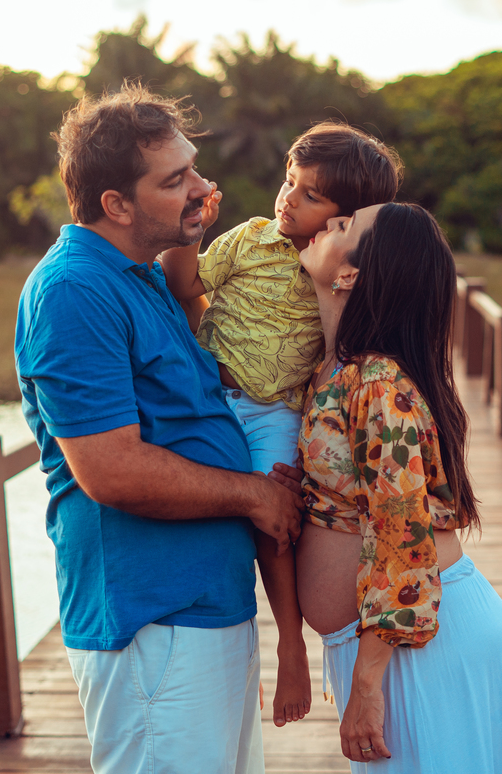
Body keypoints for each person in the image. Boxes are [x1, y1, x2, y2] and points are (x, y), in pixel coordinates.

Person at [14, 84, 305, 774]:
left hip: (204, 611)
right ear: (116, 204)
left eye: (194, 169)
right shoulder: (74, 290)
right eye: (175, 180)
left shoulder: (139, 276)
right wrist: (254, 495)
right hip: (152, 620)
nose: (203, 189)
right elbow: (110, 469)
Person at [160, 122, 402, 727]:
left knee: (277, 513)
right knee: (199, 507)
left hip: (276, 411)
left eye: (311, 194)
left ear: (349, 218)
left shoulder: (340, 270)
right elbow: (184, 283)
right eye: (290, 181)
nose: (288, 198)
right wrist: (193, 231)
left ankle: (289, 643)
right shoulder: (249, 240)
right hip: (214, 398)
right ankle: (202, 639)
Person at [294, 202, 502, 772]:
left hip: (413, 643)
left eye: (345, 225)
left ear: (350, 274)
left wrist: (368, 683)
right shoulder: (336, 370)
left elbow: (403, 535)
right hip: (394, 638)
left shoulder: (376, 381)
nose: (327, 222)